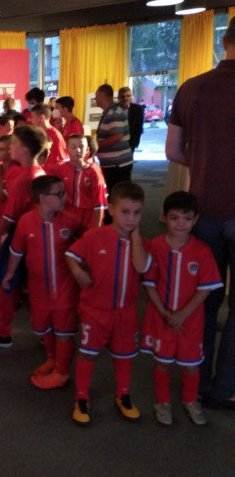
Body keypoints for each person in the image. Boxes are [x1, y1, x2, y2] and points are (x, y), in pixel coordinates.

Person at [166, 18, 235, 408]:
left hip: (203, 209)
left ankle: (196, 383)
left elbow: (173, 151)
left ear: (224, 41)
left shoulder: (191, 88)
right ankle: (225, 389)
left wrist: (208, 162)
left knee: (205, 301)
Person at [65, 181, 151, 425]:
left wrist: (135, 236)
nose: (131, 218)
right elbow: (70, 254)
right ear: (111, 209)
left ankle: (123, 394)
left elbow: (141, 266)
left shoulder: (140, 243)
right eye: (125, 212)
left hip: (126, 311)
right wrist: (77, 272)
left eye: (137, 213)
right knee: (88, 353)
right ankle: (82, 396)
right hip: (94, 310)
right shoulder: (96, 236)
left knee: (124, 355)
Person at [140, 191, 222, 426]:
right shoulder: (154, 247)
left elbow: (205, 288)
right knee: (162, 362)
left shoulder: (202, 250)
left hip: (191, 321)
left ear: (195, 220)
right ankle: (163, 401)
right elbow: (149, 284)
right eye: (174, 218)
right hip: (161, 318)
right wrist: (165, 313)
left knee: (191, 365)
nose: (180, 224)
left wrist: (183, 314)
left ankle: (190, 400)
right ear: (164, 217)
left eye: (187, 218)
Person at [3, 176, 82, 389]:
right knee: (43, 327)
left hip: (65, 290)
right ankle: (52, 359)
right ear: (42, 198)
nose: (65, 197)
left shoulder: (71, 221)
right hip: (38, 289)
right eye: (59, 194)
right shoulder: (25, 222)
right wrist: (10, 272)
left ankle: (62, 373)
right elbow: (17, 251)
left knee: (63, 332)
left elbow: (88, 244)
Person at [0, 127, 47, 348]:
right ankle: (46, 332)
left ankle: (3, 332)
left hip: (18, 238)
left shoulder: (23, 178)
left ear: (24, 150)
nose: (10, 148)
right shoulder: (38, 173)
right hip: (35, 238)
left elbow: (10, 215)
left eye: (14, 144)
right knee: (34, 288)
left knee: (6, 284)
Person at [44, 134, 107, 228]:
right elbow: (40, 170)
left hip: (89, 217)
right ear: (67, 150)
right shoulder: (60, 168)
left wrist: (96, 228)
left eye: (81, 147)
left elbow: (99, 203)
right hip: (67, 216)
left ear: (87, 150)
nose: (77, 150)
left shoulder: (94, 172)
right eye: (73, 147)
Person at [95, 84, 132, 207]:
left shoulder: (114, 112)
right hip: (114, 164)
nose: (95, 99)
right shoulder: (110, 111)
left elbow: (117, 136)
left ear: (101, 95)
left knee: (119, 197)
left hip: (117, 165)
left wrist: (97, 145)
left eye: (96, 95)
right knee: (115, 196)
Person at [118, 87, 144, 154]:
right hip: (116, 143)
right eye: (122, 96)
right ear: (118, 98)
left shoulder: (137, 109)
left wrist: (135, 143)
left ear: (131, 97)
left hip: (130, 142)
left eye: (128, 96)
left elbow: (139, 127)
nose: (125, 98)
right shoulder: (113, 109)